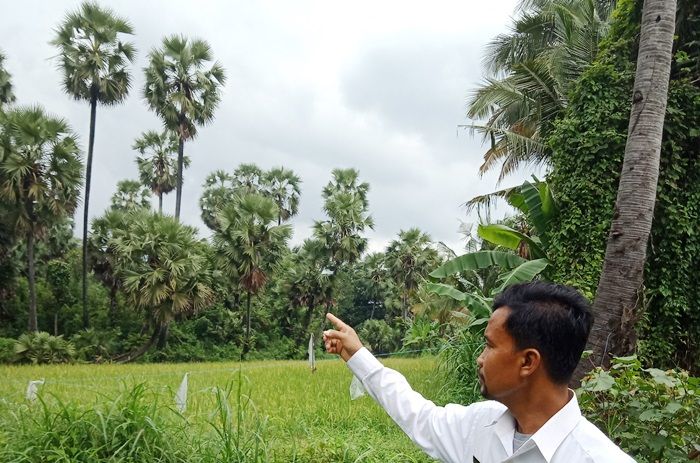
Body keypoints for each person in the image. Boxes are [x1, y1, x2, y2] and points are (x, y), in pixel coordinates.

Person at [323, 281, 635, 462]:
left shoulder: (596, 458)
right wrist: (358, 355)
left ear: (528, 362)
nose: (479, 359)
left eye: (489, 345)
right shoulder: (480, 426)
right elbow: (418, 415)